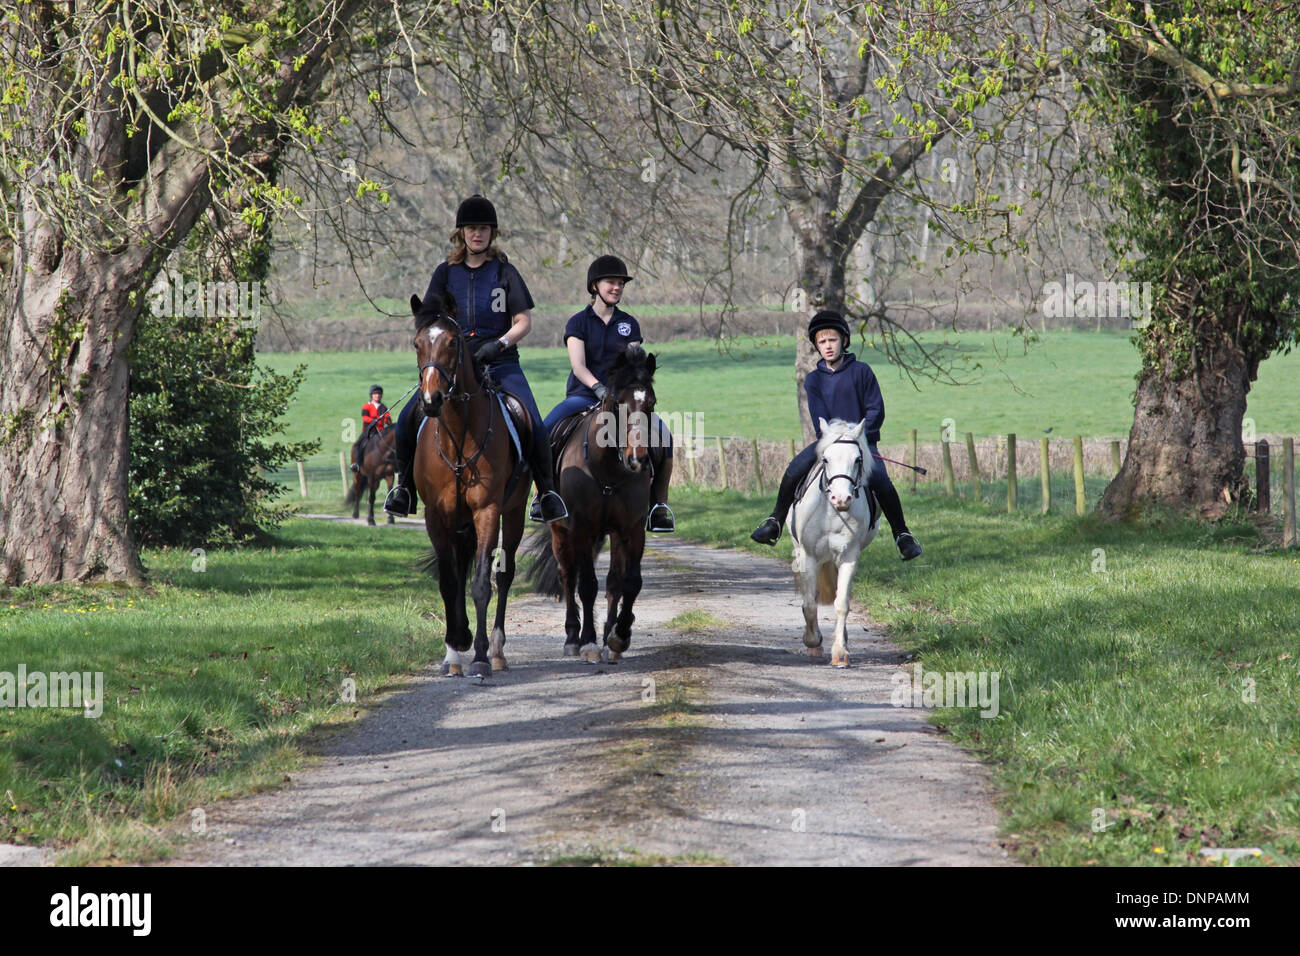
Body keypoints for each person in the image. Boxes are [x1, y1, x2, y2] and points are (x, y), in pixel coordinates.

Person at [384, 194, 568, 522]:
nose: (477, 234)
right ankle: (404, 488)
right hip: (452, 364)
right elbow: (428, 319)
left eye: (483, 228)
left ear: (491, 233)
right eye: (471, 229)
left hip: (500, 362)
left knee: (535, 424)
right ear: (461, 234)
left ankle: (546, 494)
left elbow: (524, 320)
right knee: (408, 418)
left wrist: (499, 344)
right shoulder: (445, 273)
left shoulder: (505, 272)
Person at [750, 309, 922, 561]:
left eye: (832, 340)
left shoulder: (862, 372)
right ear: (816, 346)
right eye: (821, 341)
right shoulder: (813, 380)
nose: (827, 346)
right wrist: (834, 439)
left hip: (862, 443)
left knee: (882, 482)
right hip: (829, 443)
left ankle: (902, 535)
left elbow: (876, 409)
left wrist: (859, 436)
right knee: (794, 468)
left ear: (844, 340)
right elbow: (819, 416)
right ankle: (775, 520)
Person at [541, 255, 674, 532]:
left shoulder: (629, 324)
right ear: (595, 286)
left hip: (623, 401)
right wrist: (599, 388)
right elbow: (578, 366)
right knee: (544, 432)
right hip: (583, 396)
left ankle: (659, 506)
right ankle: (543, 497)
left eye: (620, 284)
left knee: (665, 437)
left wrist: (624, 391)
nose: (617, 287)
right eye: (611, 282)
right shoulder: (578, 323)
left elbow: (635, 367)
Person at [350, 385, 391, 473]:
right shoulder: (367, 406)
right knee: (357, 445)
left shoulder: (383, 407)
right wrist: (373, 420)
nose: (377, 395)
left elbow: (388, 416)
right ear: (371, 395)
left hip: (380, 431)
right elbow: (365, 417)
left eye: (379, 394)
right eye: (375, 394)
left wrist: (388, 419)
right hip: (368, 431)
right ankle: (356, 464)